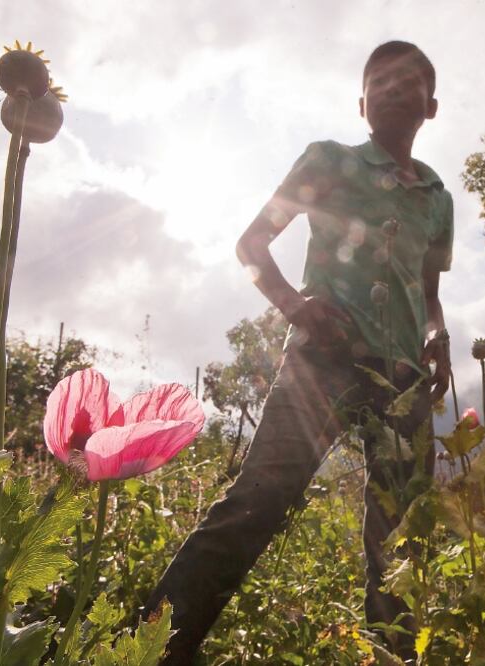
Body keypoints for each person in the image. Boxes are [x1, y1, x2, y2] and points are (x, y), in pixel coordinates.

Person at [144, 41, 454, 664]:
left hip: (403, 384)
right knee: (254, 505)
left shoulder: (437, 198)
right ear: (361, 103)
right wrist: (294, 305)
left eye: (410, 81)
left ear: (432, 106)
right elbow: (251, 244)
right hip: (324, 365)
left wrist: (437, 339)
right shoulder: (330, 161)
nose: (395, 88)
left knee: (398, 543)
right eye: (381, 81)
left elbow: (428, 292)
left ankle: (393, 656)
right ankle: (146, 651)